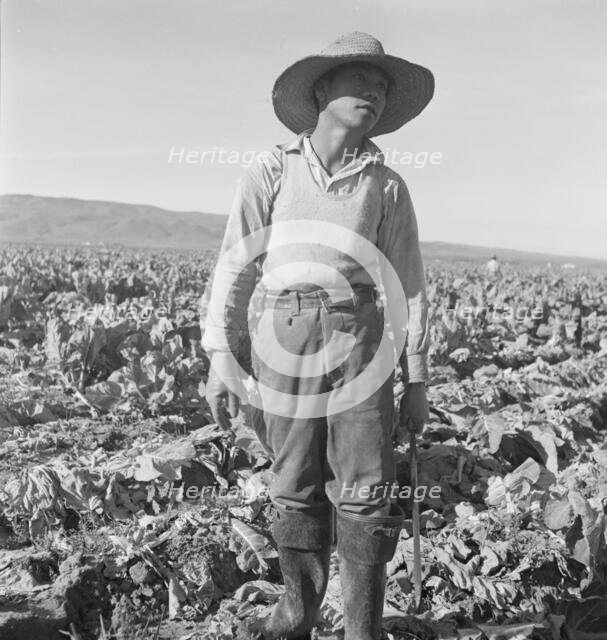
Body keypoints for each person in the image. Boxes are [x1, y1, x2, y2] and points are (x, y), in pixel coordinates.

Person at [201, 32, 433, 640]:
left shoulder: (386, 186)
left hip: (361, 339)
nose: (374, 94)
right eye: (362, 81)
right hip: (284, 333)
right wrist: (221, 358)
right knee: (294, 480)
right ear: (323, 90)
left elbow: (409, 288)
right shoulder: (271, 169)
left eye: (382, 88)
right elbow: (235, 265)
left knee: (365, 488)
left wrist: (417, 378)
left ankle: (363, 628)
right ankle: (297, 615)